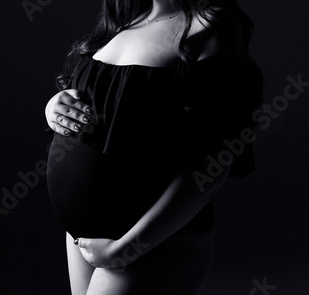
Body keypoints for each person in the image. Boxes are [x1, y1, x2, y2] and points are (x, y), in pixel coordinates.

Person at [45, 0, 263, 294]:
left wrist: (126, 249)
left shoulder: (212, 25)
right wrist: (55, 107)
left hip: (151, 242)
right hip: (83, 238)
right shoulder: (126, 22)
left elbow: (211, 165)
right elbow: (111, 106)